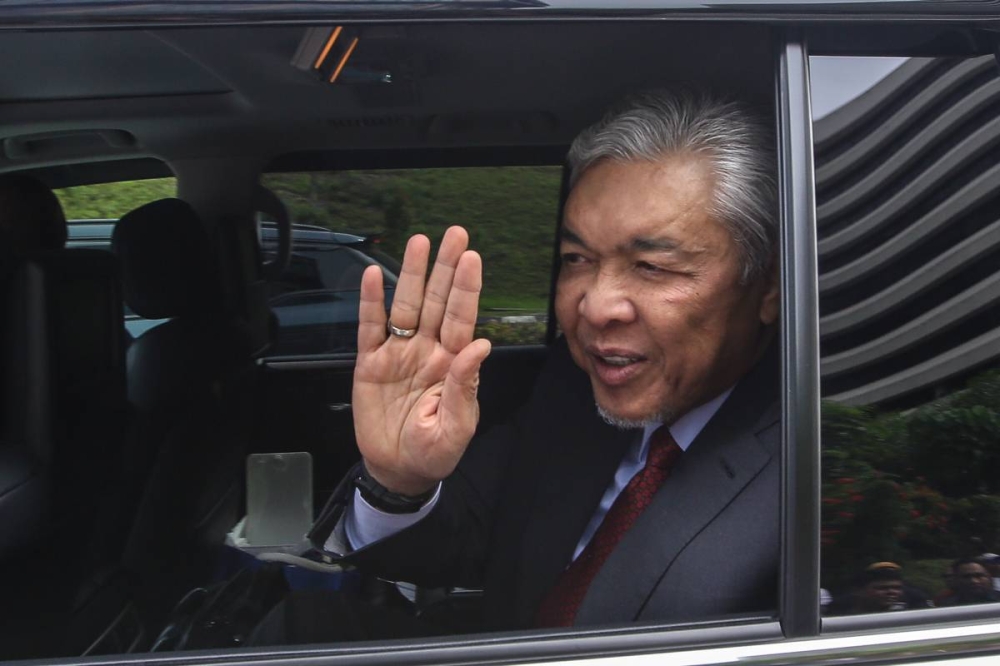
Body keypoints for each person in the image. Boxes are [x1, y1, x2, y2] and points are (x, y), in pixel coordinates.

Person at [303, 91, 780, 634]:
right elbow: (461, 542)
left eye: (652, 266)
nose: (596, 307)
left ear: (766, 286)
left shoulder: (806, 475)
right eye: (577, 259)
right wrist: (399, 479)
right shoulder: (573, 391)